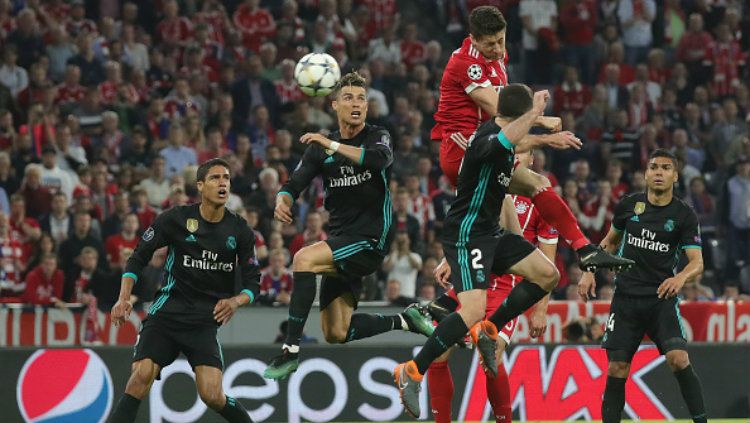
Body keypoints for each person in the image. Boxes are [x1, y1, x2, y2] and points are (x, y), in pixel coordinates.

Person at [395, 85, 629, 418]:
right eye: (526, 122)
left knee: (548, 274)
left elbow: (520, 146)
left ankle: (582, 250)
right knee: (472, 311)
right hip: (468, 235)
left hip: (491, 234)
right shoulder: (488, 140)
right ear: (518, 119)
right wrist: (537, 116)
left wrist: (544, 135)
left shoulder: (504, 147)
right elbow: (509, 139)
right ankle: (412, 370)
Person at [431, 5, 631, 273]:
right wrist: (540, 121)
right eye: (490, 44)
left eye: (501, 40)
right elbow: (499, 110)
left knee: (516, 240)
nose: (498, 48)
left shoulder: (498, 56)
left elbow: (503, 123)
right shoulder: (465, 63)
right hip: (464, 151)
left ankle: (584, 250)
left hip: (487, 141)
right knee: (519, 209)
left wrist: (537, 124)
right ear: (474, 39)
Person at [263, 72, 434, 381]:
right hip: (342, 242)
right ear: (335, 105)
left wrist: (330, 143)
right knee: (336, 332)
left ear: (367, 107)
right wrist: (283, 199)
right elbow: (294, 183)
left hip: (371, 239)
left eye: (360, 99)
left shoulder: (378, 135)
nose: (356, 104)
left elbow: (378, 161)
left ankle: (289, 349)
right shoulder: (320, 149)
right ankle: (405, 321)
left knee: (303, 259)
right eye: (348, 98)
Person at [108, 158, 260, 423]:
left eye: (226, 177)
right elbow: (138, 257)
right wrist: (123, 299)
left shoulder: (240, 230)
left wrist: (236, 301)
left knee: (212, 395)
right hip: (167, 313)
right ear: (200, 185)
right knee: (140, 376)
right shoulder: (176, 218)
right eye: (215, 178)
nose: (222, 182)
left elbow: (253, 284)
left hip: (204, 320)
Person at [426, 150, 558, 423]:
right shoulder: (484, 184)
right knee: (438, 350)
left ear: (530, 159)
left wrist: (541, 309)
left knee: (491, 354)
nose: (514, 156)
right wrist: (447, 258)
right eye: (511, 150)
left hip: (509, 283)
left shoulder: (541, 196)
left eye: (521, 152)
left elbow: (548, 259)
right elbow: (466, 229)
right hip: (473, 274)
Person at [578, 149, 707, 423]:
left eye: (665, 168)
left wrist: (680, 277)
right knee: (617, 368)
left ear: (675, 176)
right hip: (626, 298)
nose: (658, 172)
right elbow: (609, 242)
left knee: (678, 359)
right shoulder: (629, 205)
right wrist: (590, 270)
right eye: (653, 167)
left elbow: (697, 262)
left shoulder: (684, 215)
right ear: (646, 174)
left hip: (661, 299)